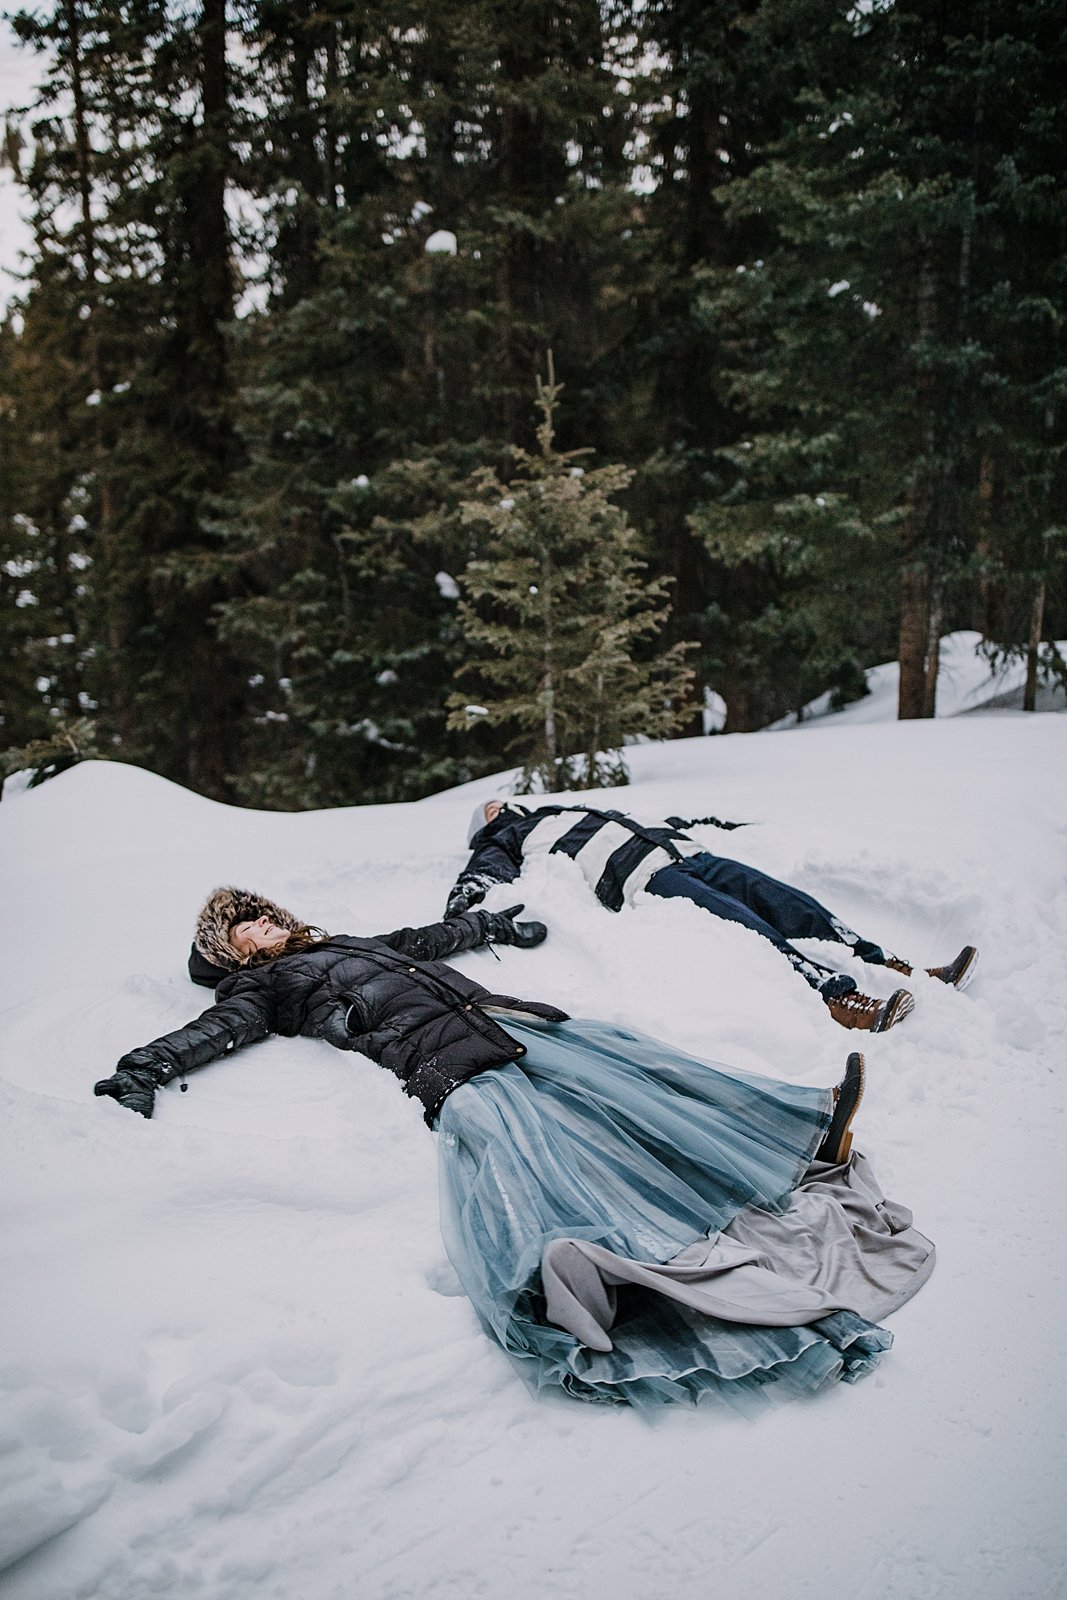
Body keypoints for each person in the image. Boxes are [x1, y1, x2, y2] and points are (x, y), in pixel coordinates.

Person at [93, 886, 935, 1411]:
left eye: (261, 913)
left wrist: (491, 923)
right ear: (226, 953)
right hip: (449, 1071)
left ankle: (797, 1123)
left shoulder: (346, 943)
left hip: (509, 1022)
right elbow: (217, 1029)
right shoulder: (263, 988)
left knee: (636, 1066)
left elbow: (426, 940)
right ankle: (610, 1269)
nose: (260, 929)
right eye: (240, 929)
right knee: (536, 1158)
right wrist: (146, 1067)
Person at [448, 801, 979, 1033]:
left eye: (500, 803)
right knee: (747, 926)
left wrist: (708, 824)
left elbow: (644, 820)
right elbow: (482, 875)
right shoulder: (507, 837)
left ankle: (893, 964)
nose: (501, 806)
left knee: (792, 904)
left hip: (687, 853)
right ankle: (838, 997)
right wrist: (464, 909)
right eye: (491, 809)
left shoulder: (559, 809)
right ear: (485, 826)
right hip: (643, 877)